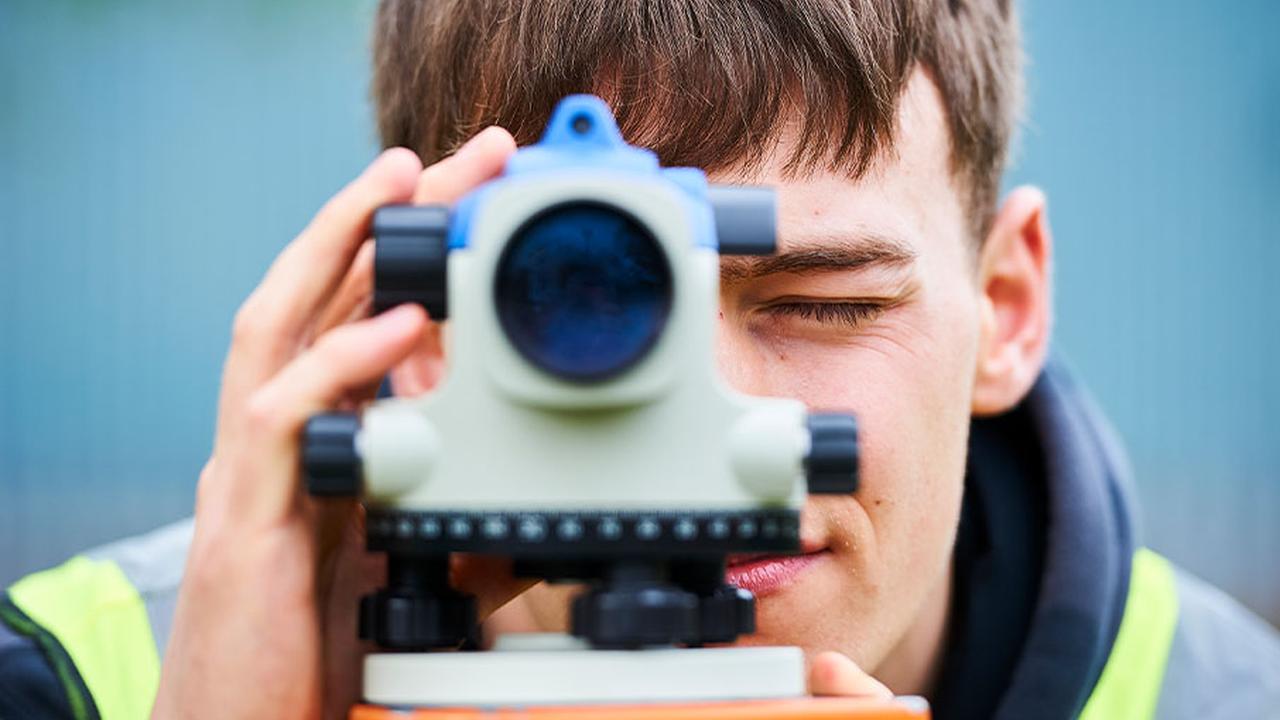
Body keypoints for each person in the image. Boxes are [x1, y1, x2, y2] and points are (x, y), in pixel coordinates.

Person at [3, 1, 1279, 718]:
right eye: (575, 299)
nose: (702, 407)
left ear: (1004, 304)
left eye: (823, 305)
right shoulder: (78, 679)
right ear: (411, 318)